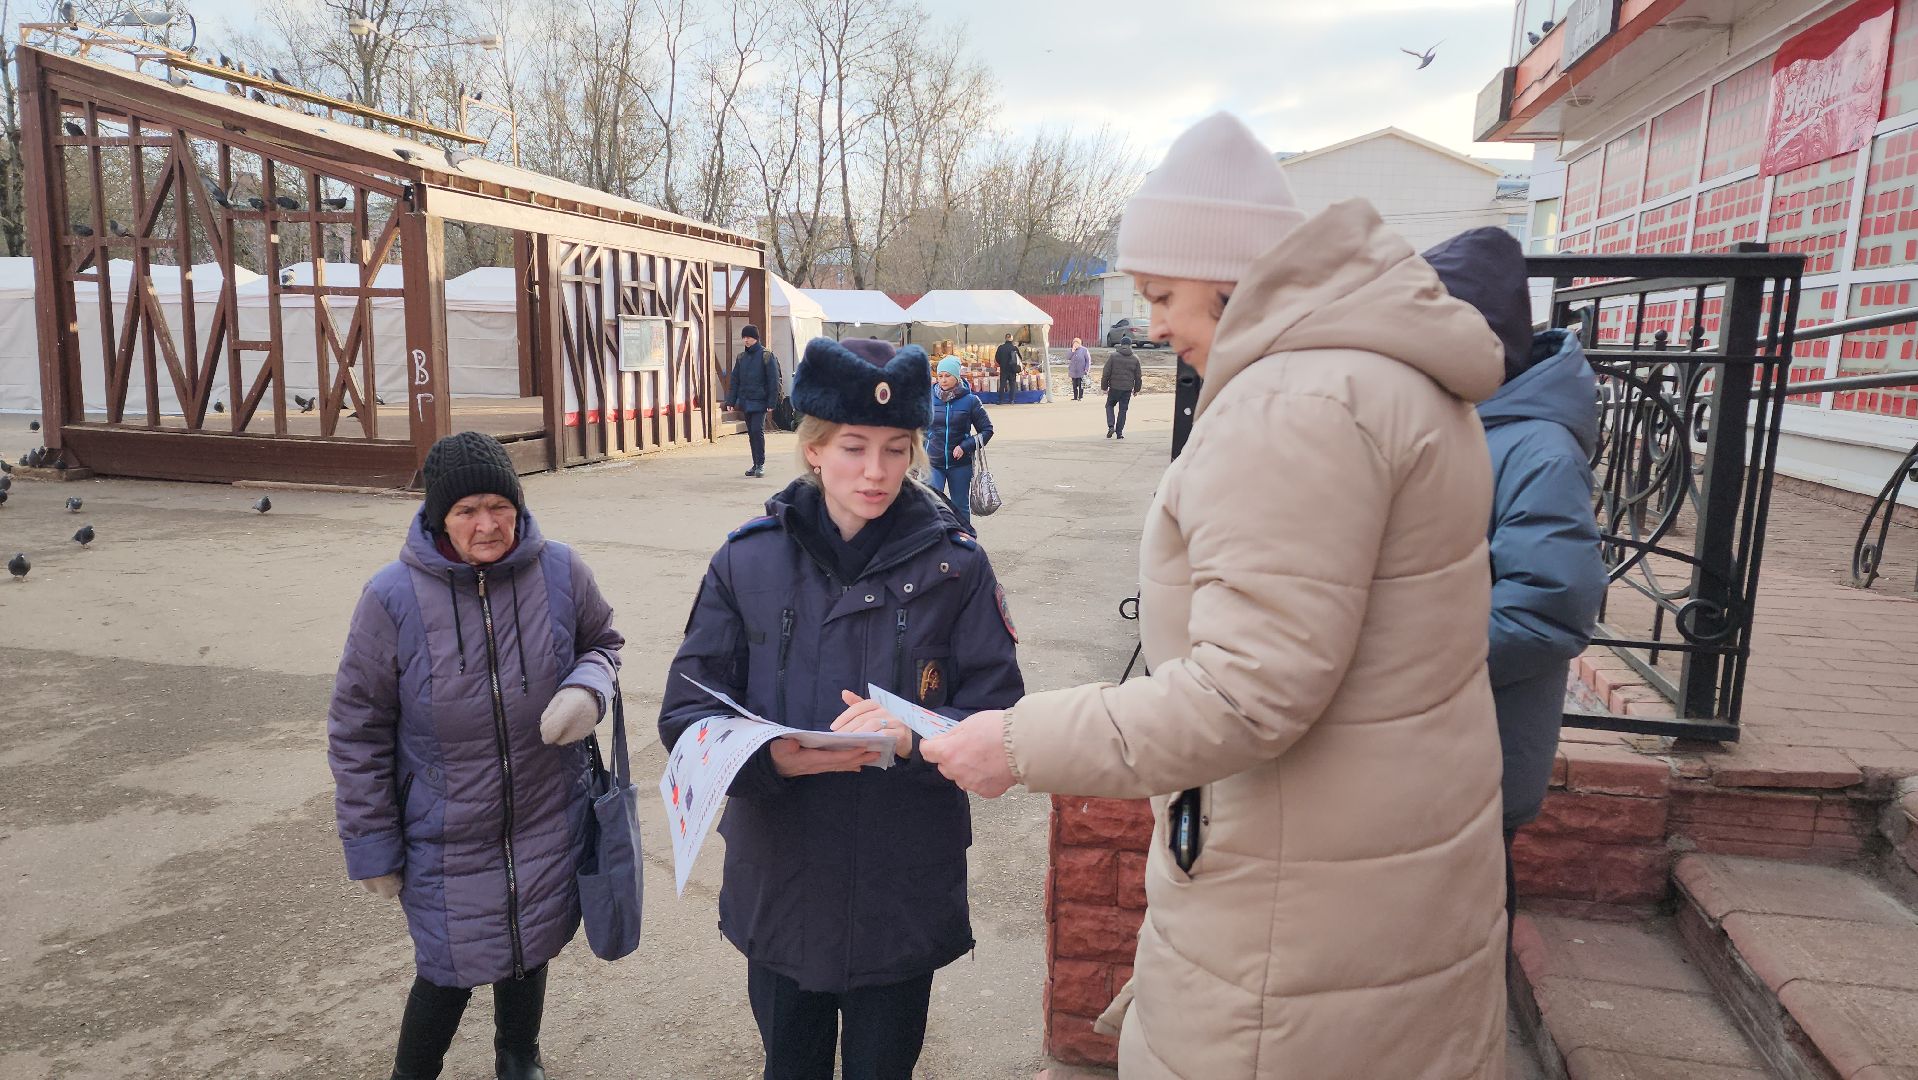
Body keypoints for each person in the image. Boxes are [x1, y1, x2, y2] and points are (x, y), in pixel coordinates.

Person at [921, 113, 1510, 1078]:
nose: (1150, 323)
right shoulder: (1384, 379)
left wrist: (1019, 741)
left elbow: (1245, 694)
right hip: (1375, 872)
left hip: (1296, 913)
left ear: (1232, 280)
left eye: (1162, 294)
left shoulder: (1291, 407)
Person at [660, 336, 1024, 1080]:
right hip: (782, 880)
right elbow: (686, 712)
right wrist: (766, 760)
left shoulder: (957, 564)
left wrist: (919, 736)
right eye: (854, 447)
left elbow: (1001, 716)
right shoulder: (746, 561)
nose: (877, 471)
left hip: (902, 883)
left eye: (896, 449)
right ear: (815, 449)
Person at [329, 430, 624, 1080]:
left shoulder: (561, 572)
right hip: (446, 832)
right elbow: (357, 729)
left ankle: (519, 1055)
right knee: (448, 969)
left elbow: (603, 642)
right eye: (467, 511)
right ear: (440, 518)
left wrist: (588, 689)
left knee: (530, 943)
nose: (487, 523)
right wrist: (372, 845)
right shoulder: (392, 599)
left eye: (500, 505)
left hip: (546, 813)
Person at [1423, 226, 1608, 937]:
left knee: (1467, 935)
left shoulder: (1536, 446)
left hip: (1482, 755)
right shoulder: (1471, 423)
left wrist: (1403, 660)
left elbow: (1546, 612)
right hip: (1443, 748)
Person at [927, 355, 994, 531]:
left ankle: (965, 541)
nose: (943, 380)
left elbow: (987, 430)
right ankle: (935, 543)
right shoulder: (928, 399)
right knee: (932, 505)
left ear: (957, 377)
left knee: (960, 506)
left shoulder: (971, 401)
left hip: (960, 464)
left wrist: (965, 446)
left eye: (947, 375)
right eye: (940, 375)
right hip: (933, 462)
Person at [726, 324, 784, 477]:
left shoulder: (766, 355)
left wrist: (772, 402)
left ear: (756, 338)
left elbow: (773, 380)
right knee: (751, 433)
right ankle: (755, 464)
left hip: (760, 401)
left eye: (749, 337)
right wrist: (730, 401)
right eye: (744, 337)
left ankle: (760, 464)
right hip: (746, 400)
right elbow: (735, 380)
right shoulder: (741, 358)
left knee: (757, 431)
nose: (746, 340)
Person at [1101, 341, 1142, 439]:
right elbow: (1138, 376)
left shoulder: (1113, 356)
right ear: (1130, 345)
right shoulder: (1135, 358)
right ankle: (1119, 433)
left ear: (1121, 345)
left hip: (1114, 387)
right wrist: (1136, 389)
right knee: (1123, 410)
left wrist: (1104, 387)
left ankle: (1111, 426)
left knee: (1109, 405)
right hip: (1127, 389)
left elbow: (1106, 372)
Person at [995, 332, 1022, 405]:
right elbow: (1019, 358)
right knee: (1012, 385)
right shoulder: (1014, 348)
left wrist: (1002, 363)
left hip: (1003, 369)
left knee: (1002, 385)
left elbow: (997, 358)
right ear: (1011, 338)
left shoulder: (1000, 347)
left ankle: (1000, 401)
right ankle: (1012, 400)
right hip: (1012, 370)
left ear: (1005, 338)